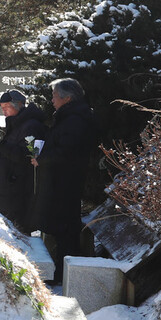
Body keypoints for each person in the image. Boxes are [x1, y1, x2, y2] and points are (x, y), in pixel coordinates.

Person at [32, 78, 98, 284]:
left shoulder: (75, 120)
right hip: (61, 180)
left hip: (66, 182)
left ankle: (63, 275)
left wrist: (41, 159)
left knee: (65, 229)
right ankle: (60, 273)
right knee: (61, 227)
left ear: (67, 98)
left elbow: (65, 151)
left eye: (54, 95)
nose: (51, 100)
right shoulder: (69, 116)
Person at [0, 90, 46, 234]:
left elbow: (27, 155)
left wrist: (0, 145)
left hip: (19, 190)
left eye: (6, 108)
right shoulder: (16, 124)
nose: (4, 113)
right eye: (2, 109)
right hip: (9, 188)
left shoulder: (31, 126)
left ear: (19, 105)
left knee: (17, 231)